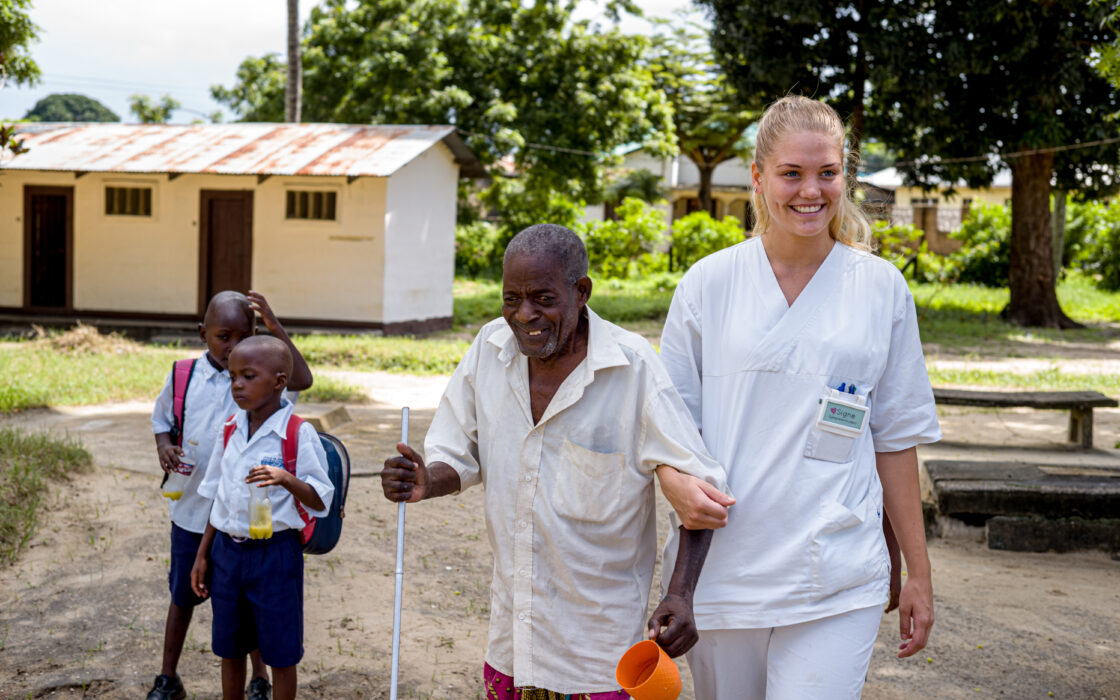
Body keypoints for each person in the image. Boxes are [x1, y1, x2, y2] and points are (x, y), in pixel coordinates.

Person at [657, 95, 941, 699]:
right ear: (758, 178)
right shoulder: (708, 284)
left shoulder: (881, 289)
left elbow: (894, 438)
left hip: (837, 571)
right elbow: (668, 428)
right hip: (727, 571)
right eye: (791, 173)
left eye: (827, 173)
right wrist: (673, 480)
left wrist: (917, 570)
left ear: (845, 176)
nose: (811, 191)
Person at [380, 224, 733, 698]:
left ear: (581, 291)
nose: (524, 315)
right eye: (511, 299)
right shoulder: (489, 350)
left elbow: (701, 494)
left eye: (542, 298)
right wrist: (428, 479)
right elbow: (456, 451)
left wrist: (681, 594)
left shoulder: (631, 368)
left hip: (600, 656)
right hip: (512, 642)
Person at [148, 290, 312, 700]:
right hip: (194, 510)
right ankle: (168, 676)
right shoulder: (185, 374)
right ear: (204, 334)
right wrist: (165, 447)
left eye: (245, 335)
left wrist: (274, 328)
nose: (233, 347)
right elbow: (161, 420)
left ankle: (260, 679)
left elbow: (303, 380)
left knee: (249, 604)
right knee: (183, 592)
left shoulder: (261, 376)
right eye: (224, 337)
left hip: (247, 520)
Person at [190, 335, 333, 700]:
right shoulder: (230, 427)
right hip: (227, 552)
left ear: (279, 381)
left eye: (248, 376)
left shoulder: (297, 433)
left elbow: (321, 499)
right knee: (230, 647)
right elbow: (217, 496)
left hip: (276, 555)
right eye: (233, 376)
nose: (237, 384)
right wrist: (203, 554)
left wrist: (286, 478)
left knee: (281, 653)